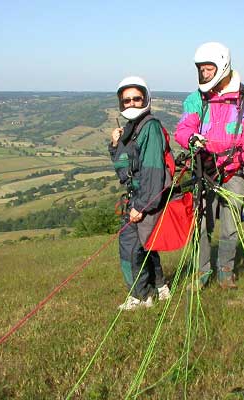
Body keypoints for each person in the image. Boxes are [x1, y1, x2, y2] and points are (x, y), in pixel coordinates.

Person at [174, 42, 244, 289]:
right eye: (201, 70)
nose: (204, 74)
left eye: (209, 69)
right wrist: (191, 138)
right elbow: (184, 129)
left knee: (231, 227)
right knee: (201, 224)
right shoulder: (196, 99)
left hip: (234, 172)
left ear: (222, 66)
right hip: (204, 169)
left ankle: (226, 270)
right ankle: (201, 272)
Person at [109, 76, 172, 310]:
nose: (132, 103)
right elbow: (125, 171)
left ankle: (140, 296)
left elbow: (153, 171)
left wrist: (141, 206)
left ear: (145, 99)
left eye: (137, 98)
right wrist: (114, 146)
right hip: (138, 198)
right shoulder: (131, 128)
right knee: (146, 244)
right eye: (127, 100)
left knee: (130, 248)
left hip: (144, 199)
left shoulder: (149, 127)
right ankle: (159, 286)